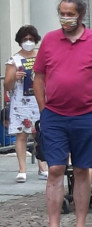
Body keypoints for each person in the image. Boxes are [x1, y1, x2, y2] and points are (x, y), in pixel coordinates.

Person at [33, 0, 92, 227]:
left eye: (70, 14)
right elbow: (39, 76)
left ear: (81, 15)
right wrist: (43, 110)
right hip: (55, 116)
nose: (65, 18)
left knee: (82, 170)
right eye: (62, 13)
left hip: (86, 115)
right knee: (55, 169)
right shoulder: (49, 39)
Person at [4, 25, 47, 182]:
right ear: (20, 41)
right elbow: (7, 85)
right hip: (21, 103)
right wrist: (14, 76)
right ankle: (22, 169)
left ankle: (42, 166)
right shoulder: (13, 60)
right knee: (21, 135)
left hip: (39, 100)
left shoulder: (41, 56)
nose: (28, 42)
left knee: (40, 134)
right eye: (25, 39)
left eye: (31, 39)